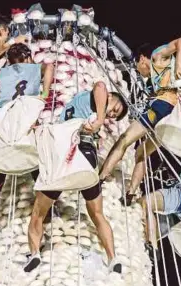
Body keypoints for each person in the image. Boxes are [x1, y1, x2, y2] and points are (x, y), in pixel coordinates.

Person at [24, 81, 129, 273]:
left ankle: (34, 253)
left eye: (114, 115)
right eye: (115, 108)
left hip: (64, 159)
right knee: (97, 213)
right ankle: (113, 257)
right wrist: (99, 119)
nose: (111, 115)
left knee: (38, 213)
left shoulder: (74, 110)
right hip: (82, 156)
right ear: (111, 97)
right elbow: (100, 86)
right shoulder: (96, 101)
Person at [0, 43, 54, 242]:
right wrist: (45, 92)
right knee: (39, 172)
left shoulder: (1, 74)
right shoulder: (34, 68)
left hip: (6, 124)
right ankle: (48, 217)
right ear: (27, 57)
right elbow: (49, 67)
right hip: (25, 123)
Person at [99, 37, 181, 182]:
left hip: (163, 107)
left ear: (142, 59)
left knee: (124, 139)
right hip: (172, 117)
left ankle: (101, 176)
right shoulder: (152, 81)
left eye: (136, 67)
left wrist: (178, 63)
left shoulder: (157, 55)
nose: (138, 72)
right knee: (141, 152)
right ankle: (131, 193)